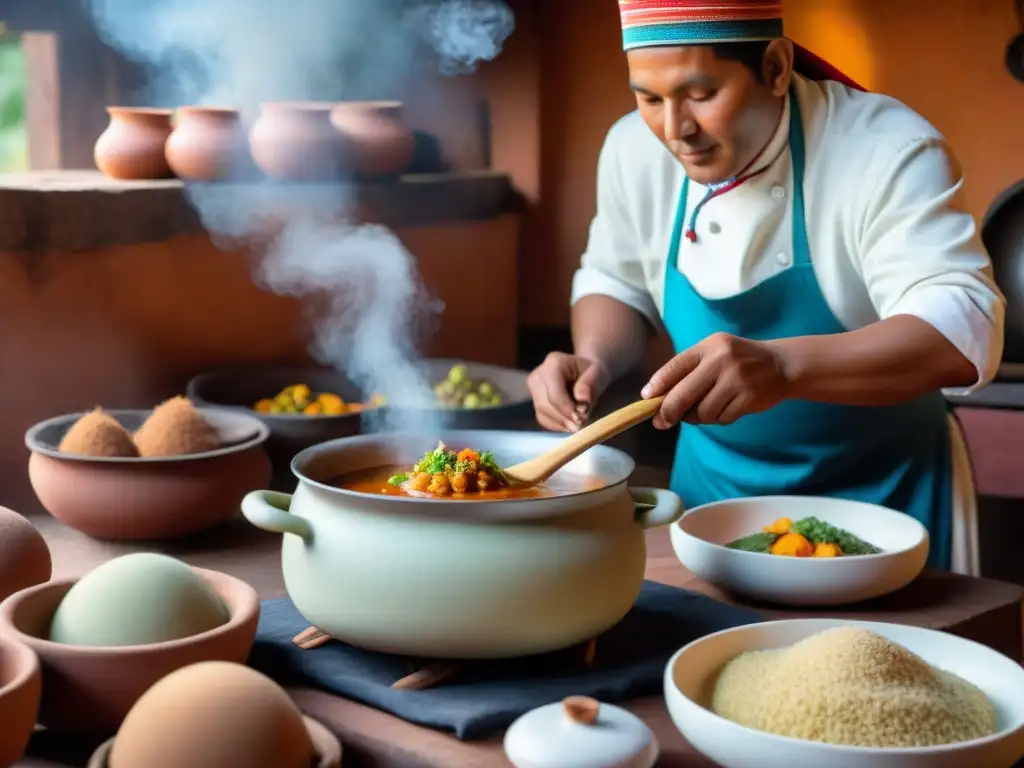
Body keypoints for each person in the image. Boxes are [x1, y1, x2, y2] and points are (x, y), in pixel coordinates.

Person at [526, 0, 1006, 573]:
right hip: (712, 503)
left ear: (776, 67)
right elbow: (616, 279)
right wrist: (595, 361)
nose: (676, 130)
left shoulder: (885, 149)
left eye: (700, 94)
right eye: (650, 98)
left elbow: (962, 327)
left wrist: (781, 366)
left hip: (885, 499)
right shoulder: (633, 149)